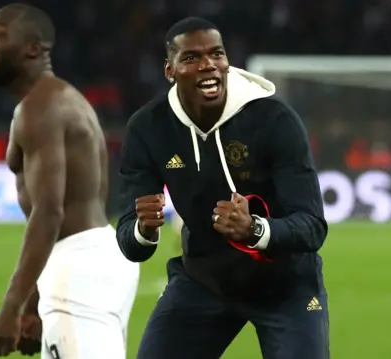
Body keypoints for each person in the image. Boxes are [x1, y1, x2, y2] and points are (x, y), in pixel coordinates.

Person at [116, 17, 330, 359]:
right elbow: (131, 243)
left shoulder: (273, 119)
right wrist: (143, 229)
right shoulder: (148, 128)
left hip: (286, 287)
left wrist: (255, 229)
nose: (208, 66)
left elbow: (313, 227)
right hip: (203, 283)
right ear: (169, 71)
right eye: (191, 58)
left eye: (217, 54)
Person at [0, 4, 139, 358]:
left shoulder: (39, 108)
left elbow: (50, 212)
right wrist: (36, 303)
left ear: (33, 48)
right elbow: (71, 205)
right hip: (97, 255)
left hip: (78, 270)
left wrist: (12, 306)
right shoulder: (63, 100)